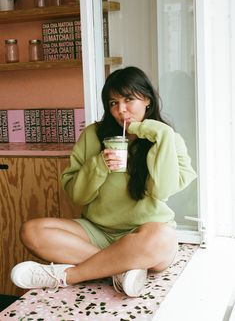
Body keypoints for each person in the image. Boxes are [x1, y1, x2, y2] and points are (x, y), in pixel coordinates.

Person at [11, 66, 197, 297]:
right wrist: (99, 165)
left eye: (129, 99)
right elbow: (77, 196)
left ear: (147, 99)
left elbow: (161, 191)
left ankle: (68, 275)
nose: (121, 110)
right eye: (113, 103)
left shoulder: (167, 138)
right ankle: (119, 270)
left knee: (162, 238)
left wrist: (159, 136)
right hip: (97, 231)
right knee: (32, 231)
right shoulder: (93, 134)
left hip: (144, 232)